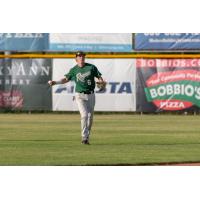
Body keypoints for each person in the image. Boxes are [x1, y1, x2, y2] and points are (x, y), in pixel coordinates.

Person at [48, 51, 105, 145]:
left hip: (91, 95)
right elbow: (66, 79)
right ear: (76, 59)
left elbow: (99, 77)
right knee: (84, 115)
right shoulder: (74, 70)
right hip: (79, 95)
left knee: (90, 117)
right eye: (79, 57)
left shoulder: (91, 67)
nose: (81, 58)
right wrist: (55, 82)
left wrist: (101, 82)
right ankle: (84, 137)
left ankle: (87, 136)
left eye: (82, 56)